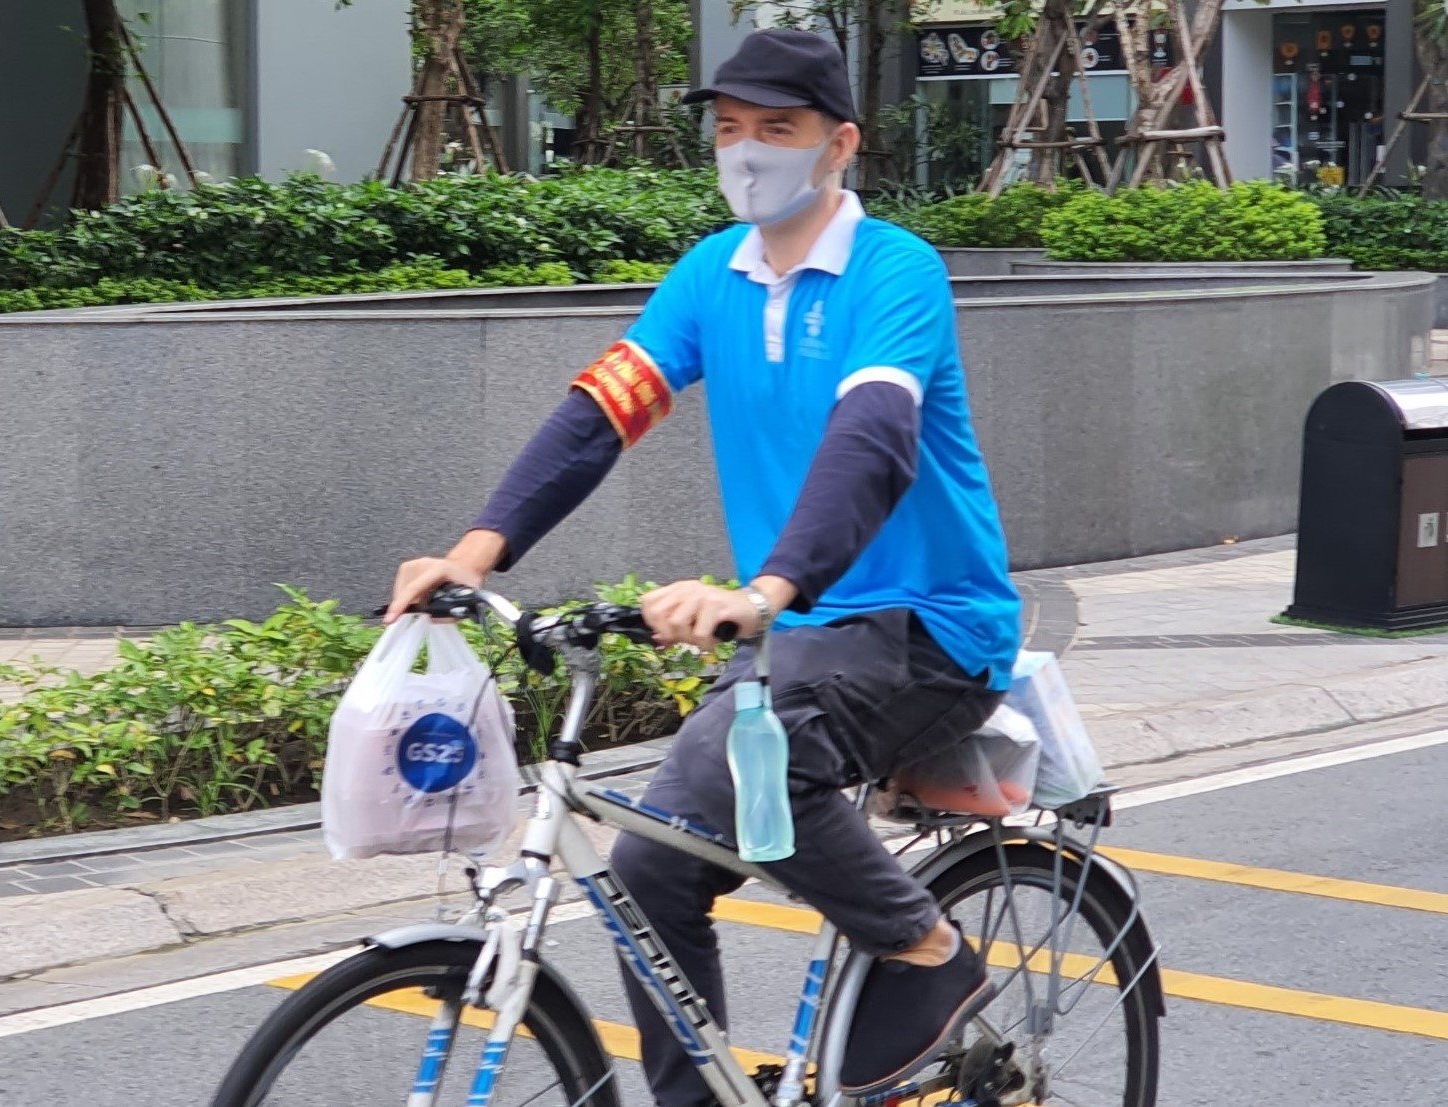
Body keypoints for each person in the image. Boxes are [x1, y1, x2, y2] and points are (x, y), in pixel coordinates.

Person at [385, 28, 1021, 1107]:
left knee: (748, 760)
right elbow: (598, 416)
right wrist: (471, 553)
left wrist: (765, 589)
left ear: (840, 145)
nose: (747, 151)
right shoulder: (708, 276)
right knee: (648, 868)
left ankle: (927, 953)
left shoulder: (895, 271)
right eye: (729, 129)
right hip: (797, 635)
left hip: (927, 625)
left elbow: (870, 438)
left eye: (777, 128)